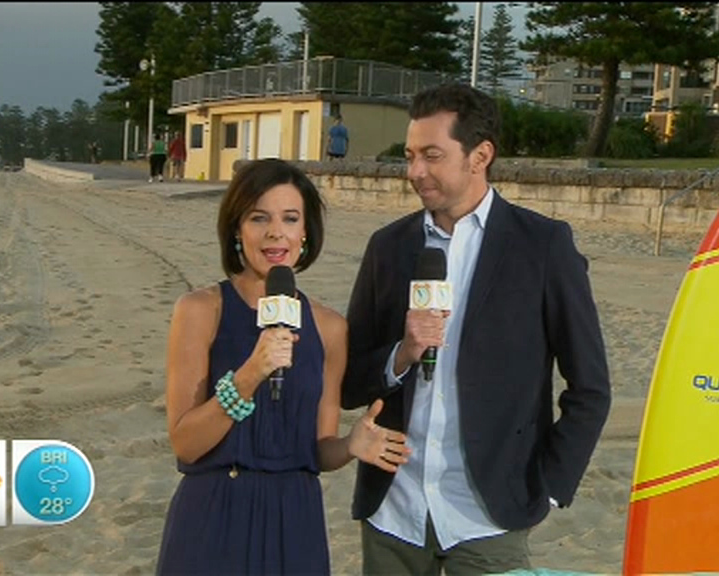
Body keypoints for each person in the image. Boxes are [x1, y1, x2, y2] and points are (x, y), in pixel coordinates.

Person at [341, 83, 612, 574]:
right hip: (393, 511)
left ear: (480, 156)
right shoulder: (388, 247)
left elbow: (590, 387)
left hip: (489, 517)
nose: (415, 171)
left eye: (431, 155)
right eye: (409, 156)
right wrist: (401, 354)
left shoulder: (543, 245)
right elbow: (349, 381)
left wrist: (550, 487)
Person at [157, 158, 412, 575]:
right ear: (237, 230)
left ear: (305, 232)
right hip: (214, 515)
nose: (276, 232)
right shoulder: (201, 310)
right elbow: (186, 443)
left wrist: (350, 446)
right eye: (259, 218)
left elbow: (319, 449)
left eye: (290, 218)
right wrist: (249, 375)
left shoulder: (329, 328)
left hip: (296, 519)